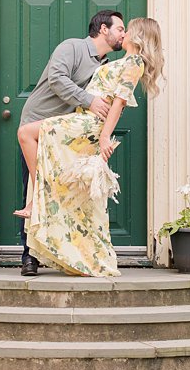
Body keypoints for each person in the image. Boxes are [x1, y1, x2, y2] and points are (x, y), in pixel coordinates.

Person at [15, 17, 163, 278]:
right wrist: (90, 102)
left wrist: (104, 135)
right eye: (120, 28)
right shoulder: (72, 48)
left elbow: (117, 102)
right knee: (42, 182)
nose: (123, 33)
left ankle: (74, 252)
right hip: (46, 120)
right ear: (104, 29)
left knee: (66, 190)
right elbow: (57, 79)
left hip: (76, 128)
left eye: (127, 30)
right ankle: (32, 256)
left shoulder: (123, 64)